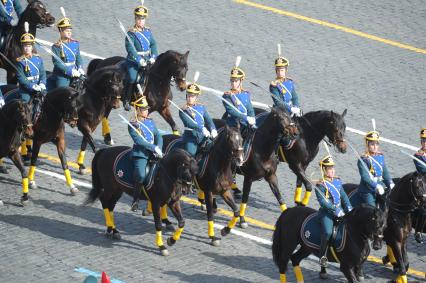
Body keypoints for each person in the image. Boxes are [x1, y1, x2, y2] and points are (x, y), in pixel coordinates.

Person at [315, 155, 352, 268]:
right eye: (329, 169)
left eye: (332, 168)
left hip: (340, 211)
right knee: (328, 232)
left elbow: (344, 196)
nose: (332, 171)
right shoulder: (320, 185)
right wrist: (335, 210)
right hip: (327, 213)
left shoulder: (337, 181)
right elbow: (324, 203)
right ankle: (323, 257)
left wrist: (349, 207)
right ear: (324, 170)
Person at [128, 95, 163, 212]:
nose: (146, 111)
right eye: (143, 109)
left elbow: (158, 135)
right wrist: (153, 147)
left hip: (154, 153)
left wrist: (159, 147)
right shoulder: (133, 124)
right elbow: (139, 141)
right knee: (141, 175)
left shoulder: (150, 121)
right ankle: (135, 199)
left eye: (147, 109)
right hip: (141, 153)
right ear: (137, 110)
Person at [122, 2, 158, 111]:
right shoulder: (131, 33)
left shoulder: (147, 31)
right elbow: (130, 49)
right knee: (133, 77)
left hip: (147, 58)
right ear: (135, 19)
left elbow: (153, 44)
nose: (140, 21)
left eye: (142, 19)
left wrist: (153, 56)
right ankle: (127, 99)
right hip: (133, 61)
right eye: (138, 18)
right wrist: (139, 60)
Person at [179, 73, 217, 158]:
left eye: (192, 96)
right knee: (190, 155)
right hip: (190, 137)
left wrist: (213, 129)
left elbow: (208, 120)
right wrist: (202, 128)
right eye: (188, 96)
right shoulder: (183, 110)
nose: (190, 98)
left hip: (203, 136)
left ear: (196, 97)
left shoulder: (201, 107)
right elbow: (189, 123)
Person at [47, 7, 84, 90]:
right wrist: (70, 71)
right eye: (67, 31)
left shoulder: (75, 43)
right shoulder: (56, 47)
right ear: (61, 31)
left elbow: (78, 57)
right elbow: (57, 63)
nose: (69, 33)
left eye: (70, 31)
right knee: (63, 91)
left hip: (76, 72)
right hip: (62, 75)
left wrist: (80, 67)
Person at [357, 130, 394, 206]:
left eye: (376, 144)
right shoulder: (363, 159)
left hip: (381, 186)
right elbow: (365, 177)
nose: (375, 147)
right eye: (372, 144)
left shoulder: (380, 156)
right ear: (367, 145)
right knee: (372, 210)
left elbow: (385, 173)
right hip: (368, 190)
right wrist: (376, 185)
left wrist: (390, 183)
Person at [222, 56, 256, 138]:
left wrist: (253, 119)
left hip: (245, 124)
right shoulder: (227, 96)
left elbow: (250, 109)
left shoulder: (245, 94)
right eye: (232, 81)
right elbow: (233, 111)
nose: (233, 83)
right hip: (233, 125)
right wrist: (246, 118)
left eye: (236, 81)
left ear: (241, 81)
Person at [269, 45, 301, 118]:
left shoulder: (289, 82)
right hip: (280, 111)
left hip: (292, 110)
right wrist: (290, 109)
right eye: (278, 70)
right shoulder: (274, 85)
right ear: (276, 71)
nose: (280, 72)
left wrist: (296, 106)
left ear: (286, 70)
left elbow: (294, 97)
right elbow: (278, 102)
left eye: (282, 70)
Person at [413, 128, 426, 243]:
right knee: (423, 209)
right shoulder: (418, 155)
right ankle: (418, 231)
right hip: (422, 184)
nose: (425, 143)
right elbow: (423, 170)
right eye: (423, 140)